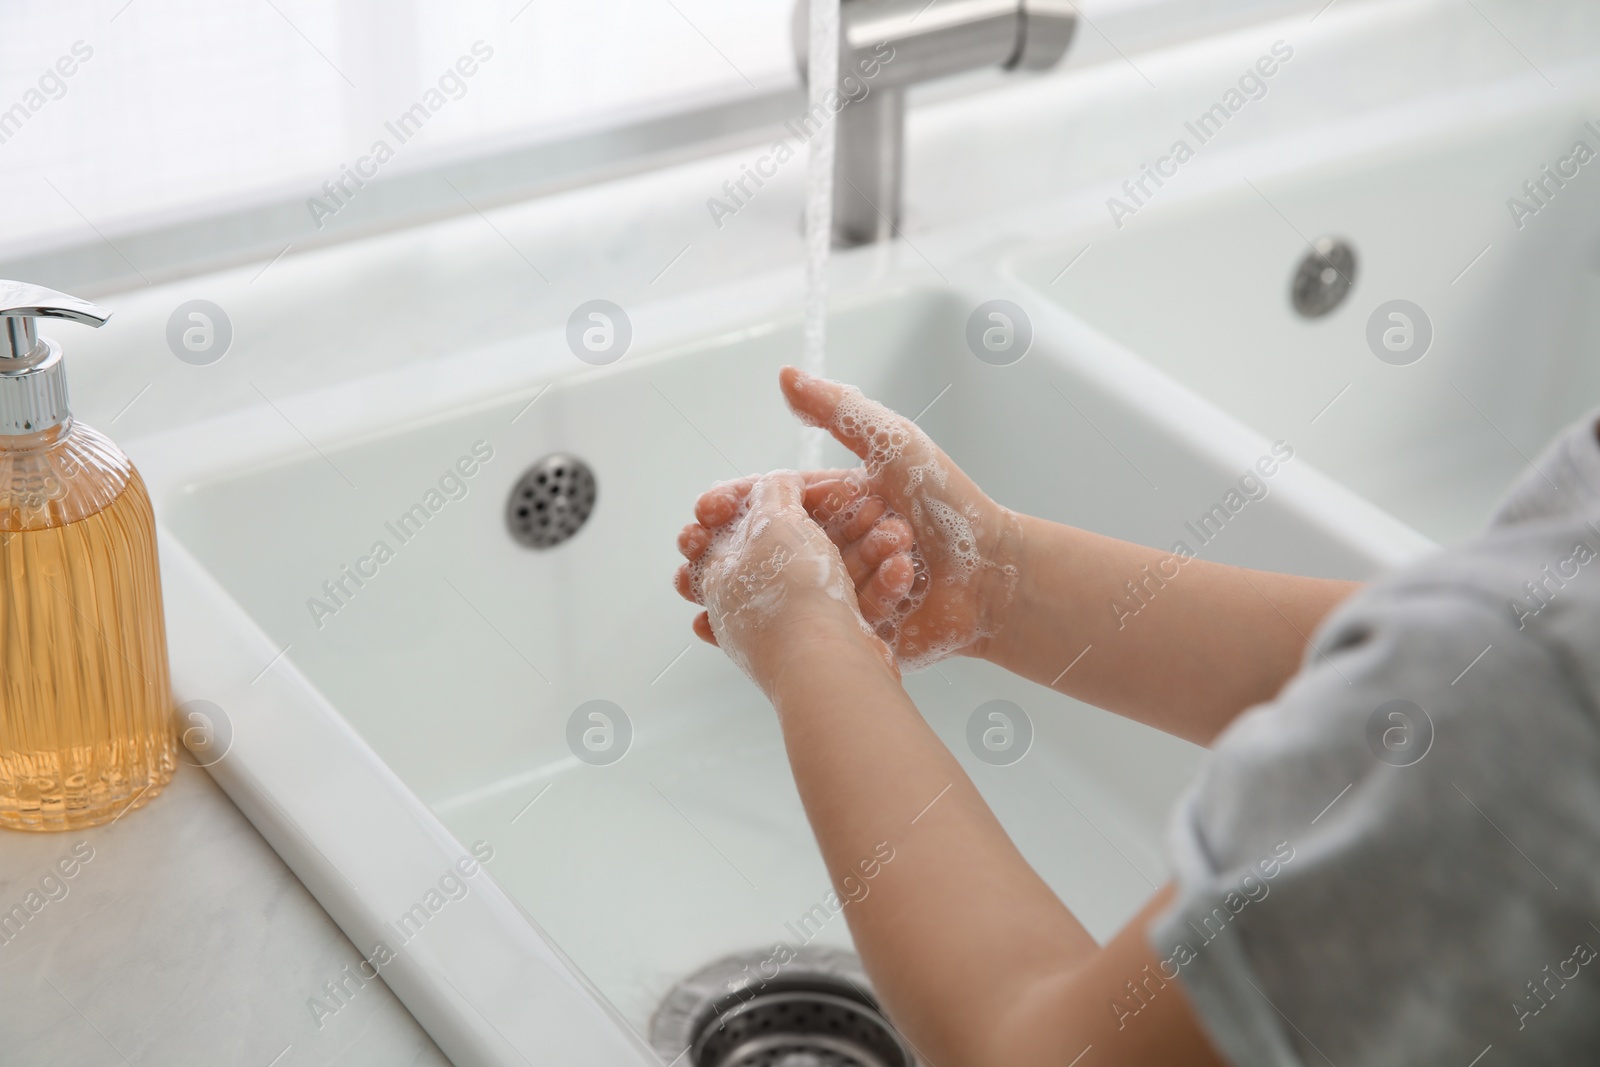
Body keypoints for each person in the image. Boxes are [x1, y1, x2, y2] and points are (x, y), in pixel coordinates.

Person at [674, 367, 1600, 1066]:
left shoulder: (1545, 699)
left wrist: (812, 643)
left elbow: (1045, 1051)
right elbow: (1452, 668)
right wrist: (1002, 583)